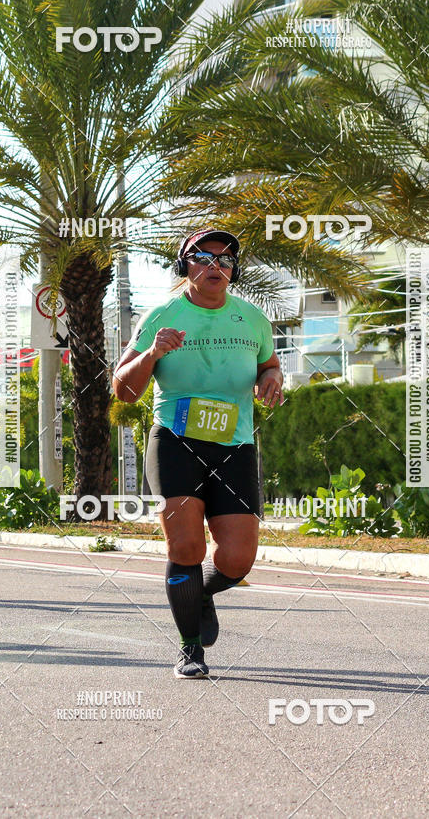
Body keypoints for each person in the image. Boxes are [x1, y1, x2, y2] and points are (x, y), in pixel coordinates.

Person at [113, 229, 284, 678]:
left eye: (226, 260)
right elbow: (124, 389)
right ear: (185, 265)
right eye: (203, 257)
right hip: (175, 442)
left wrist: (272, 378)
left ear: (234, 270)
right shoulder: (162, 314)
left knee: (237, 559)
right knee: (185, 546)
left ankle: (200, 594)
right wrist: (152, 352)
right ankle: (191, 649)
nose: (216, 266)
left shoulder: (252, 318)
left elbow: (269, 362)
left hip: (235, 446)